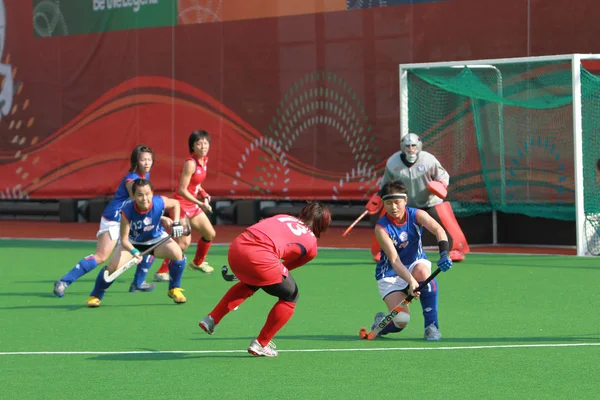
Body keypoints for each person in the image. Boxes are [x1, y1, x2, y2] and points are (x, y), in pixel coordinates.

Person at [197, 202, 332, 357]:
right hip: (262, 258)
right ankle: (261, 343)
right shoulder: (312, 246)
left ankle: (211, 319)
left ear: (304, 213)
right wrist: (257, 267)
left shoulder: (283, 217)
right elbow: (285, 267)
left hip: (237, 246)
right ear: (323, 224)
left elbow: (259, 231)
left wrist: (249, 270)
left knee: (254, 282)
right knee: (291, 295)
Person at [53, 145, 157, 297]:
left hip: (128, 219)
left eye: (149, 159)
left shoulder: (144, 177)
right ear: (136, 161)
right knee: (101, 256)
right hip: (114, 219)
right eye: (143, 160)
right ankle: (64, 281)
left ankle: (138, 283)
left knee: (151, 243)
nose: (147, 163)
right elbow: (138, 201)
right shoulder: (132, 180)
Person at [369, 180, 453, 340]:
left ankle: (431, 326)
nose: (393, 207)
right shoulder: (381, 228)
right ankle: (380, 324)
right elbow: (394, 260)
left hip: (415, 263)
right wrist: (411, 282)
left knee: (423, 271)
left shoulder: (417, 215)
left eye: (396, 202)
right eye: (388, 203)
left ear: (405, 200)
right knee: (401, 321)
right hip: (390, 274)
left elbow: (439, 230)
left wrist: (444, 254)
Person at [367, 133, 469, 262]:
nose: (411, 149)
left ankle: (455, 248)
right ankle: (383, 251)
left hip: (430, 202)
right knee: (387, 222)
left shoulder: (429, 160)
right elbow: (387, 183)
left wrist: (441, 184)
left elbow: (443, 176)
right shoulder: (393, 162)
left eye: (413, 145)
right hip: (406, 205)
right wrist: (379, 196)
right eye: (408, 146)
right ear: (403, 147)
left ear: (419, 146)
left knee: (444, 221)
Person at [86, 178, 188, 307]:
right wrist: (134, 252)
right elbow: (123, 239)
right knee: (112, 267)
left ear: (152, 193)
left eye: (147, 194)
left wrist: (176, 223)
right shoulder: (127, 211)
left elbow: (175, 204)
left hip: (156, 239)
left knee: (177, 254)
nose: (144, 198)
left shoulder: (159, 202)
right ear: (133, 196)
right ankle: (95, 296)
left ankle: (174, 289)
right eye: (140, 195)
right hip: (132, 243)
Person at [153, 130, 215, 282]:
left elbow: (196, 184)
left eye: (205, 143)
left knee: (209, 234)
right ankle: (161, 272)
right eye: (199, 143)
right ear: (192, 146)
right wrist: (201, 203)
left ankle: (197, 263)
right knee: (183, 243)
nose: (203, 146)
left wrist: (204, 193)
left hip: (193, 204)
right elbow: (182, 189)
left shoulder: (204, 161)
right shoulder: (190, 163)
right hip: (180, 206)